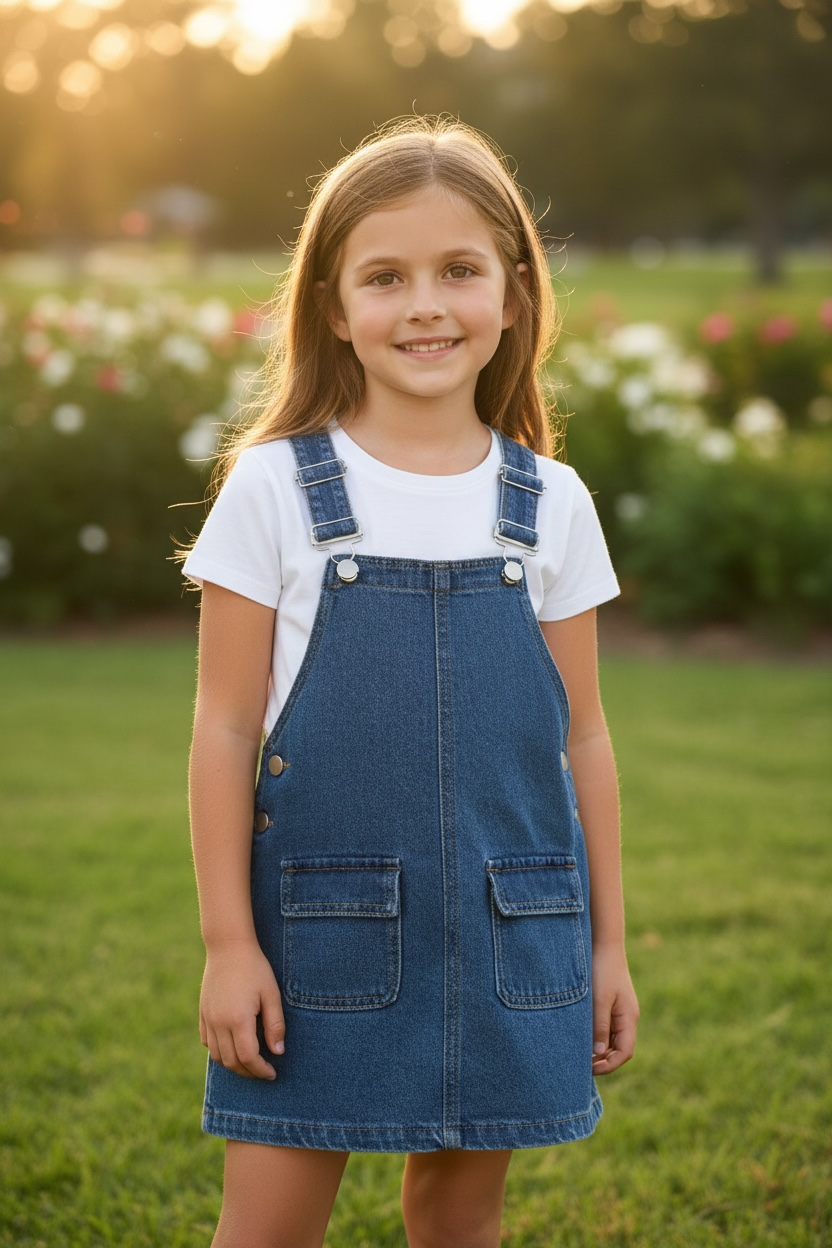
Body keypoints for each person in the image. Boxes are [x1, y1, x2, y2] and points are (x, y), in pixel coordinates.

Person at [182, 115, 639, 1248]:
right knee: (269, 1223)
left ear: (514, 293)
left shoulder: (550, 504)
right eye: (384, 277)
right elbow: (226, 730)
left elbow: (580, 738)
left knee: (460, 1215)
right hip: (318, 931)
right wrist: (230, 946)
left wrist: (608, 946)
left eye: (458, 270)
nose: (425, 304)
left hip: (505, 924)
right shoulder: (276, 489)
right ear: (334, 307)